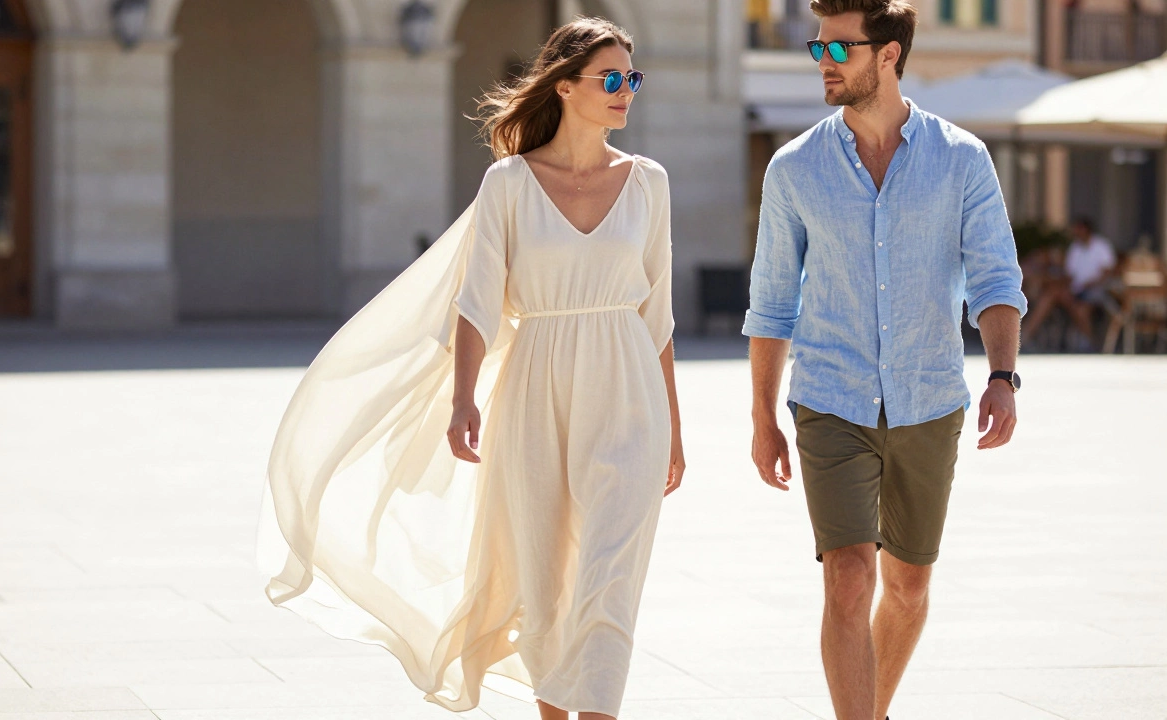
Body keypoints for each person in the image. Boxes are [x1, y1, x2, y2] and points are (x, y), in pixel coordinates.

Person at [259, 17, 685, 720]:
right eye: (611, 78)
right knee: (542, 584)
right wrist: (463, 399)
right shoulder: (509, 183)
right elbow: (478, 303)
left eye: (632, 78)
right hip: (533, 391)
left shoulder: (649, 183)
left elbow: (659, 316)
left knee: (610, 581)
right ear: (566, 85)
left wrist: (672, 425)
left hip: (629, 393)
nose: (626, 92)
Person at [742, 2, 1028, 719]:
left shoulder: (961, 158)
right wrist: (762, 417)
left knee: (908, 587)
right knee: (847, 578)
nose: (824, 64)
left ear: (890, 55)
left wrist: (1001, 376)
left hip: (928, 397)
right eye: (819, 49)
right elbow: (772, 303)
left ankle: (871, 709)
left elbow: (995, 278)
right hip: (829, 399)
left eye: (840, 50)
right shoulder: (794, 168)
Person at [1021, 216, 1119, 350]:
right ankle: (1025, 336)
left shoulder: (1101, 246)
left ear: (1085, 229)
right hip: (1076, 290)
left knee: (1081, 309)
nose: (1075, 232)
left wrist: (1090, 284)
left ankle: (1092, 342)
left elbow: (1107, 273)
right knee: (1051, 294)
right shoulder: (1075, 248)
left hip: (1096, 291)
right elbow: (1070, 275)